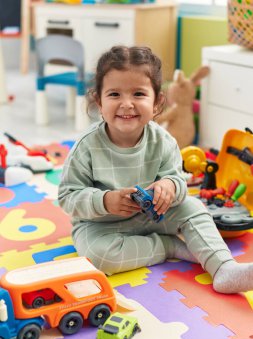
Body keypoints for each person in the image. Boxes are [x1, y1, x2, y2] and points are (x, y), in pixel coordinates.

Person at [58, 45, 253, 294]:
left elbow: (179, 181)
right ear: (98, 100)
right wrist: (104, 200)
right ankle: (169, 247)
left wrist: (169, 186)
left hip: (154, 215)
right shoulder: (86, 147)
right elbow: (67, 197)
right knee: (98, 257)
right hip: (102, 225)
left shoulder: (162, 140)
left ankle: (224, 267)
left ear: (158, 101)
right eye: (114, 94)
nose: (126, 104)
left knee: (193, 207)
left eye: (138, 94)